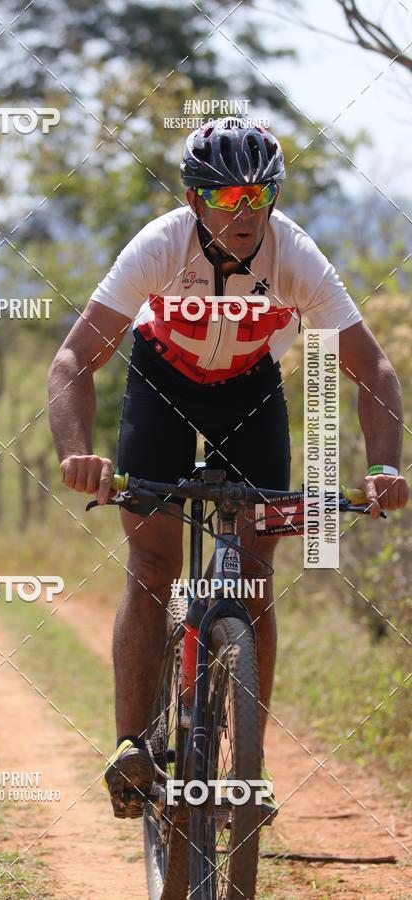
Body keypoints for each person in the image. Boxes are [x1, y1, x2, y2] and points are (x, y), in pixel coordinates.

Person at [47, 117, 408, 820]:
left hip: (251, 391)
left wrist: (384, 465)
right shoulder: (158, 246)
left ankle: (251, 764)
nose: (245, 211)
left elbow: (374, 369)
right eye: (227, 195)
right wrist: (76, 454)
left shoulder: (295, 255)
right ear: (194, 201)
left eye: (260, 194)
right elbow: (72, 359)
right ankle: (131, 747)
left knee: (253, 576)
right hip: (162, 384)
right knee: (152, 566)